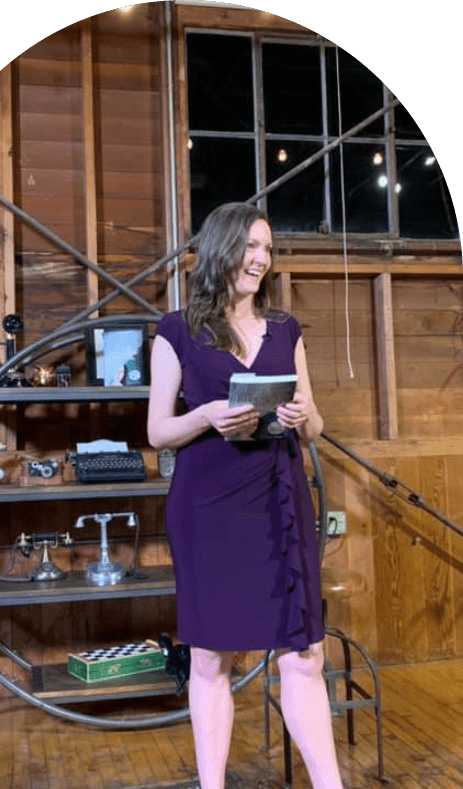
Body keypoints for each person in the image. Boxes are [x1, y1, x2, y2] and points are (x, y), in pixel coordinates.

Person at [147, 202, 343, 789]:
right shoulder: (176, 330)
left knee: (304, 653)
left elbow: (316, 427)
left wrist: (304, 414)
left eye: (266, 248)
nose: (260, 259)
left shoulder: (286, 330)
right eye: (249, 246)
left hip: (279, 502)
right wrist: (206, 415)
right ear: (220, 250)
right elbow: (158, 431)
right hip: (208, 508)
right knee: (210, 657)